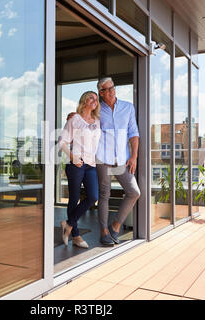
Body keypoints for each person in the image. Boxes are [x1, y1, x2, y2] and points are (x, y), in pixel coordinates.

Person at [67, 77, 140, 246]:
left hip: (122, 158)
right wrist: (74, 116)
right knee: (104, 195)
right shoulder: (98, 110)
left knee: (134, 192)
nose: (110, 91)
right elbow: (84, 117)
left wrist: (134, 156)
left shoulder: (128, 107)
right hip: (102, 158)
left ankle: (115, 226)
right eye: (106, 89)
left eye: (112, 87)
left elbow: (133, 132)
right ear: (101, 92)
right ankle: (104, 232)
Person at [58, 91, 101, 249]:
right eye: (91, 97)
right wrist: (72, 157)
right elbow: (62, 141)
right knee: (74, 198)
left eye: (96, 99)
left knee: (92, 196)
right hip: (75, 164)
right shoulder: (74, 119)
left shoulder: (97, 121)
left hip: (91, 165)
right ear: (83, 100)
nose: (94, 100)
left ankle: (68, 224)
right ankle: (75, 236)